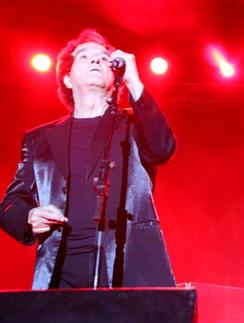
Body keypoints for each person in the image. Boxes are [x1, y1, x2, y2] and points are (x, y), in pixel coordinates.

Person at [0, 29, 176, 289]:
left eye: (104, 58)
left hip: (127, 270)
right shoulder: (39, 139)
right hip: (61, 274)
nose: (96, 61)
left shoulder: (135, 124)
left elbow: (162, 149)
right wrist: (28, 216)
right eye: (84, 56)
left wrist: (134, 82)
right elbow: (10, 204)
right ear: (67, 79)